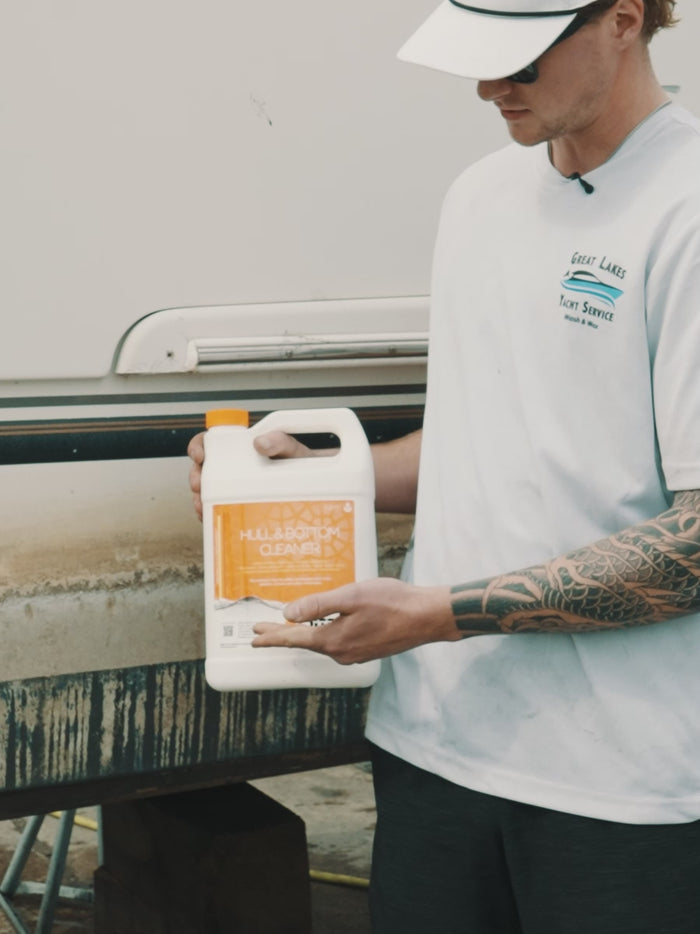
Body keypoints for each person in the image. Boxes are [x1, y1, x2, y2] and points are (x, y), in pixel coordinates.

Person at [189, 1, 700, 930]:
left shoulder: (686, 208)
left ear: (625, 19)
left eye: (520, 62)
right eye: (477, 59)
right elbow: (485, 442)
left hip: (621, 784)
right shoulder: (480, 197)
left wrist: (440, 614)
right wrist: (301, 478)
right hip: (434, 747)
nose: (489, 87)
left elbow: (697, 545)